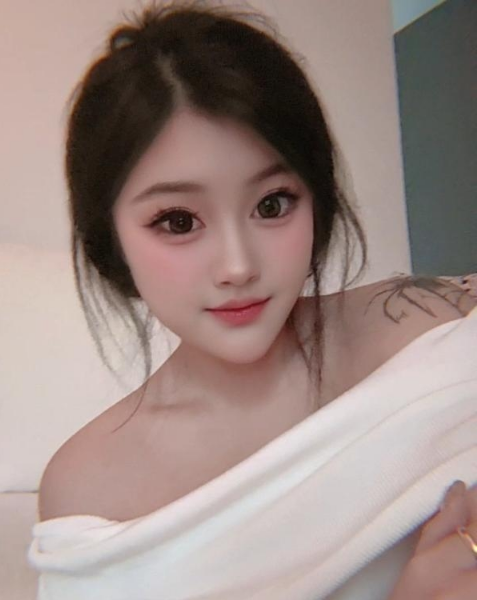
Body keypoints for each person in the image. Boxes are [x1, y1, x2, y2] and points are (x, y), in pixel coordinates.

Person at [28, 2, 477, 599]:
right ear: (110, 239)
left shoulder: (436, 334)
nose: (238, 266)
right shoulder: (88, 493)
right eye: (178, 220)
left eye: (272, 204)